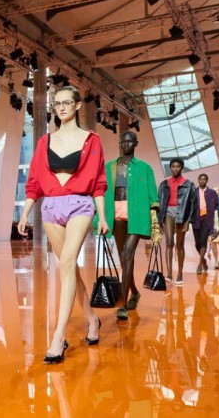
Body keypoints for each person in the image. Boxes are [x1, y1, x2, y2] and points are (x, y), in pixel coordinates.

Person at [16, 86, 108, 364]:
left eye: (67, 103)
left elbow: (99, 183)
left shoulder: (92, 140)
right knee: (70, 269)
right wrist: (25, 213)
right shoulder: (45, 142)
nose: (62, 108)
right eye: (57, 104)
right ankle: (92, 320)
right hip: (51, 207)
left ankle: (58, 337)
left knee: (66, 263)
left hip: (80, 205)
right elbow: (34, 182)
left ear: (78, 105)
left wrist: (102, 216)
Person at [96, 131, 158, 320]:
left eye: (129, 141)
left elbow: (153, 195)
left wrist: (155, 218)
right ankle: (135, 292)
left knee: (126, 254)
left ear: (135, 143)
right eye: (123, 141)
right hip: (115, 213)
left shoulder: (144, 168)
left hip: (137, 214)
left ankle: (122, 303)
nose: (126, 144)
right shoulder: (110, 167)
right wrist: (100, 216)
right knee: (124, 258)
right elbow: (100, 191)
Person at [157, 158, 197, 285]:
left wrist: (188, 220)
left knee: (180, 245)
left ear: (182, 168)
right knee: (169, 242)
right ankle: (169, 273)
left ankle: (180, 273)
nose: (175, 168)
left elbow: (193, 204)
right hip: (168, 212)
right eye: (173, 166)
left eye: (178, 166)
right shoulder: (164, 184)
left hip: (182, 214)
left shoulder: (189, 184)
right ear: (170, 168)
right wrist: (159, 220)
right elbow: (159, 201)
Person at [193, 174, 219, 275]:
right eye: (200, 179)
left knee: (203, 241)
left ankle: (200, 264)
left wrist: (210, 212)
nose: (202, 181)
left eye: (204, 179)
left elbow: (216, 204)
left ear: (207, 180)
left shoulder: (212, 192)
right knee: (197, 244)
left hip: (207, 219)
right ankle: (203, 260)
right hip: (196, 219)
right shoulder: (194, 191)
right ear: (198, 180)